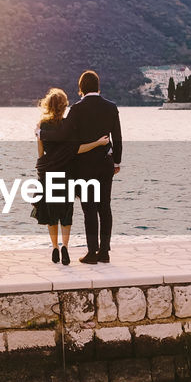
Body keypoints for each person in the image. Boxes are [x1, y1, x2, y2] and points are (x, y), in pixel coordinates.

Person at [35, 88, 109, 265]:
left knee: (51, 212)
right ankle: (65, 247)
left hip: (48, 172)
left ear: (47, 105)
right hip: (67, 173)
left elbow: (40, 154)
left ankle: (54, 247)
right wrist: (98, 143)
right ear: (64, 106)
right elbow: (77, 150)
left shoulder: (42, 126)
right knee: (66, 211)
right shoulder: (70, 125)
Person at [63, 70, 122, 264]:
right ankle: (104, 252)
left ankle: (91, 252)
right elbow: (117, 138)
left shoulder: (77, 109)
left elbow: (66, 136)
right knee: (105, 207)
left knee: (89, 209)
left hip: (85, 167)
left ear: (81, 88)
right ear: (98, 86)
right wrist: (117, 162)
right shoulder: (111, 107)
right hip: (106, 164)